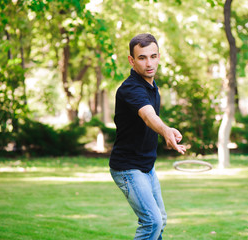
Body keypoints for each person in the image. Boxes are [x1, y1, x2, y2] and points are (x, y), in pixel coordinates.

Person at [109, 33, 186, 240]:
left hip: (146, 166)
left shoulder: (151, 86)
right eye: (142, 58)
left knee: (159, 219)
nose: (149, 63)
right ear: (131, 61)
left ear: (159, 56)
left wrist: (166, 135)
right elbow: (148, 116)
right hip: (128, 167)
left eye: (153, 56)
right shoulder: (131, 88)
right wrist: (166, 130)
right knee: (152, 221)